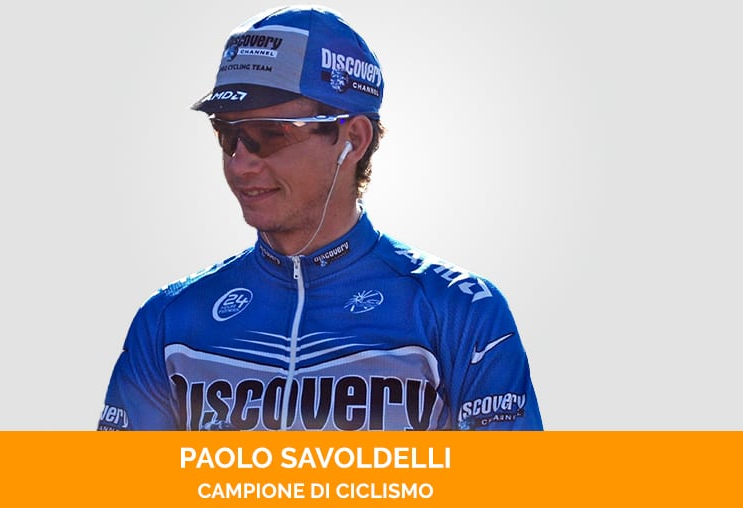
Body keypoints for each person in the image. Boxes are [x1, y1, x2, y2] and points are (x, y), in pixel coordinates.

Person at [98, 5, 542, 431]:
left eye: (268, 134)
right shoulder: (168, 320)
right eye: (227, 134)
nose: (240, 163)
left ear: (354, 138)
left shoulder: (460, 310)